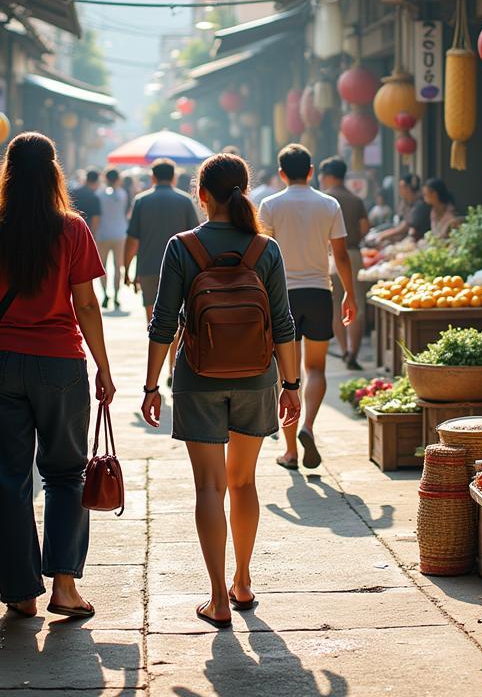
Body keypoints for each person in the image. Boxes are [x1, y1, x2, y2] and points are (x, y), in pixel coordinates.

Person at [0, 132, 115, 620]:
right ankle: (63, 586)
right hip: (60, 364)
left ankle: (21, 593)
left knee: (8, 479)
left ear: (9, 171)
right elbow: (86, 303)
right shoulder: (71, 228)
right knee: (65, 474)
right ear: (53, 173)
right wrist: (104, 365)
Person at [140, 153, 300, 628]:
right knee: (244, 482)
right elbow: (285, 323)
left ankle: (217, 598)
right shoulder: (264, 249)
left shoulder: (181, 247)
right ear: (244, 192)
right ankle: (244, 580)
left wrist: (152, 386)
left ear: (202, 195)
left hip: (198, 379)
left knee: (208, 486)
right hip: (256, 378)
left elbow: (163, 323)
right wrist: (291, 385)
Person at [259, 144, 356, 471]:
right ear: (312, 170)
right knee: (316, 368)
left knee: (287, 375)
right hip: (319, 292)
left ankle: (289, 452)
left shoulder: (270, 205)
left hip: (281, 295)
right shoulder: (329, 204)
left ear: (281, 173)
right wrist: (350, 295)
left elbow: (261, 254)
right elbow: (341, 255)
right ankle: (308, 426)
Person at [123, 159, 200, 381]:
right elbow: (195, 236)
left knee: (155, 322)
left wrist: (127, 268)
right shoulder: (185, 201)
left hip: (149, 268)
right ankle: (172, 368)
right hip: (181, 270)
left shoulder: (141, 201)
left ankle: (154, 376)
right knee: (178, 319)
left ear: (153, 177)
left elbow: (132, 238)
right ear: (174, 177)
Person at [318, 156, 370, 371]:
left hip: (329, 254)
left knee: (334, 304)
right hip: (353, 254)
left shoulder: (324, 199)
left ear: (328, 176)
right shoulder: (355, 200)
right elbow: (365, 228)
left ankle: (343, 349)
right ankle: (353, 353)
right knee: (355, 303)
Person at [96, 168, 130, 311]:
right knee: (118, 266)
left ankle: (105, 295)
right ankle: (116, 295)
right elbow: (126, 212)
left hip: (103, 233)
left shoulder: (99, 194)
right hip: (120, 233)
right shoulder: (123, 194)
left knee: (102, 267)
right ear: (118, 179)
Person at [374, 173, 429, 245]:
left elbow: (405, 227)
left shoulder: (421, 204)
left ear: (408, 188)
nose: (399, 190)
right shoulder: (404, 202)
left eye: (401, 187)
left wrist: (383, 235)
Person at [70, 169, 102, 235]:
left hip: (71, 230)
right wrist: (93, 235)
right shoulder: (94, 197)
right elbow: (96, 219)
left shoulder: (74, 192)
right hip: (85, 232)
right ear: (96, 181)